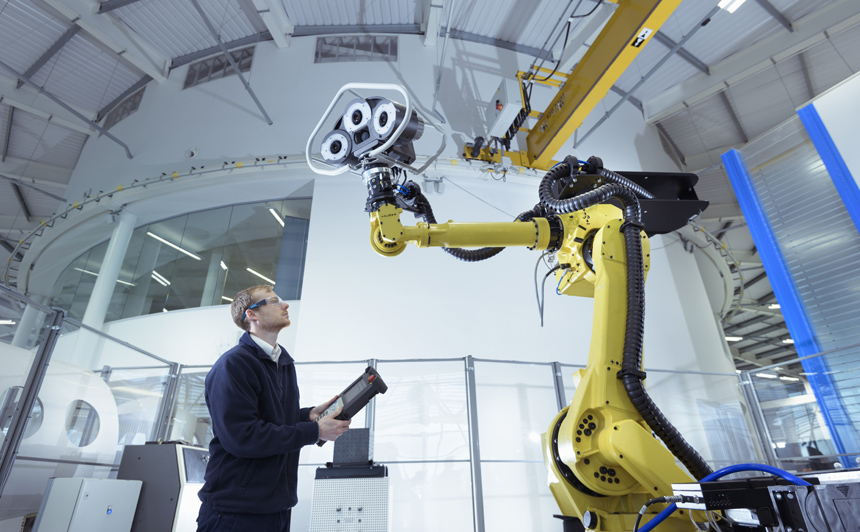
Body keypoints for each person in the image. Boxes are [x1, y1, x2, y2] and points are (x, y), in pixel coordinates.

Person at [197, 284, 351, 532]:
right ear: (252, 315)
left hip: (277, 509)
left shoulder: (283, 362)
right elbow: (242, 437)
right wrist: (314, 432)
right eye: (273, 301)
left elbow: (274, 420)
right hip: (235, 512)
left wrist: (308, 416)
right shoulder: (233, 365)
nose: (285, 305)